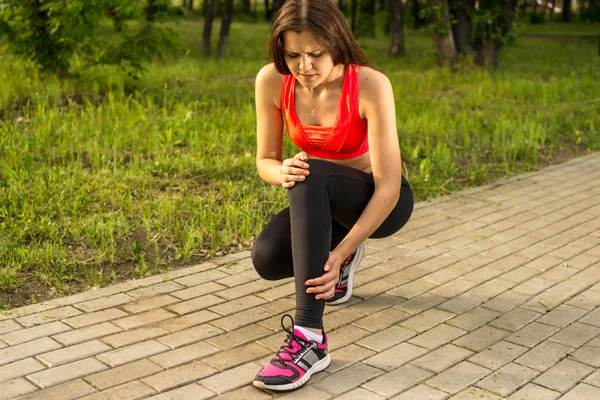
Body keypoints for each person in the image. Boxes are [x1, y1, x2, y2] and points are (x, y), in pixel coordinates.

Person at [250, 0, 414, 391]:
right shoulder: (272, 82)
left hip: (378, 200)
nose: (303, 66)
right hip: (318, 198)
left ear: (337, 44)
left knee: (311, 176)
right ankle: (336, 243)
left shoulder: (371, 84)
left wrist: (339, 255)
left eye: (315, 54)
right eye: (292, 55)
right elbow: (266, 160)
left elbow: (389, 186)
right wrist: (280, 171)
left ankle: (310, 338)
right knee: (267, 259)